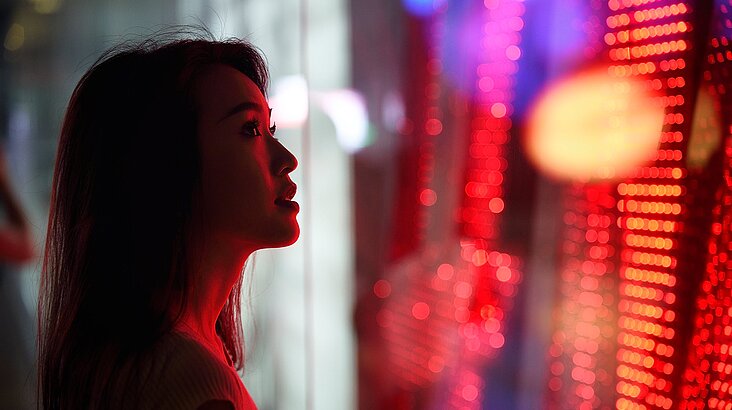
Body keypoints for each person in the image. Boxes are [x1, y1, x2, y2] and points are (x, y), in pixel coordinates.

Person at [38, 30, 299, 409]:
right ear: (166, 166)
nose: (287, 159)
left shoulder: (131, 354)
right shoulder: (190, 378)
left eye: (269, 129)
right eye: (250, 130)